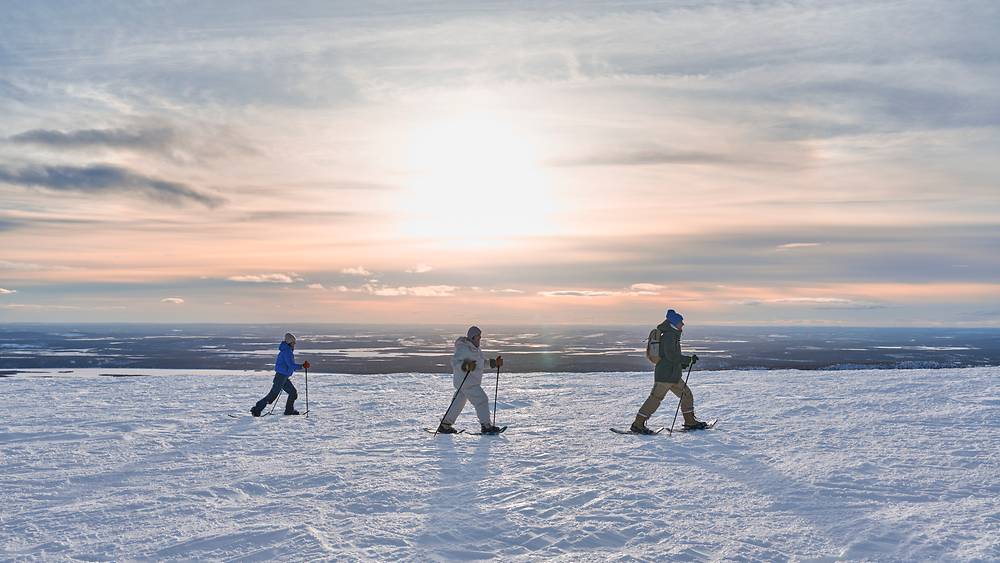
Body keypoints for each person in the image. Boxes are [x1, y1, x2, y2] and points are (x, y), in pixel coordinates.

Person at [630, 309, 707, 433]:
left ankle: (690, 422)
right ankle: (638, 424)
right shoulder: (669, 336)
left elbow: (669, 357)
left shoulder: (672, 334)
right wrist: (688, 360)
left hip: (672, 375)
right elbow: (671, 356)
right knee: (655, 399)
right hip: (665, 376)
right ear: (674, 323)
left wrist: (680, 365)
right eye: (680, 322)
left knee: (686, 395)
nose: (683, 324)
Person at [437, 326, 504, 434]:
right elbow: (454, 362)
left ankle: (445, 425)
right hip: (467, 382)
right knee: (481, 400)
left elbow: (481, 363)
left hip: (467, 382)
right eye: (478, 337)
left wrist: (494, 363)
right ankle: (486, 426)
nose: (479, 339)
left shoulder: (476, 349)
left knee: (458, 403)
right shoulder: (464, 348)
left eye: (480, 337)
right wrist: (466, 366)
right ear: (472, 337)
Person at [251, 332, 310, 416]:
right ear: (290, 342)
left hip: (284, 377)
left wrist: (300, 366)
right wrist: (302, 366)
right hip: (281, 377)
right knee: (272, 396)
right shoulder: (287, 352)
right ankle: (256, 410)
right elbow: (291, 365)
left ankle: (289, 411)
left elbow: (289, 366)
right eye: (293, 342)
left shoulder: (287, 351)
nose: (294, 344)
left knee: (293, 393)